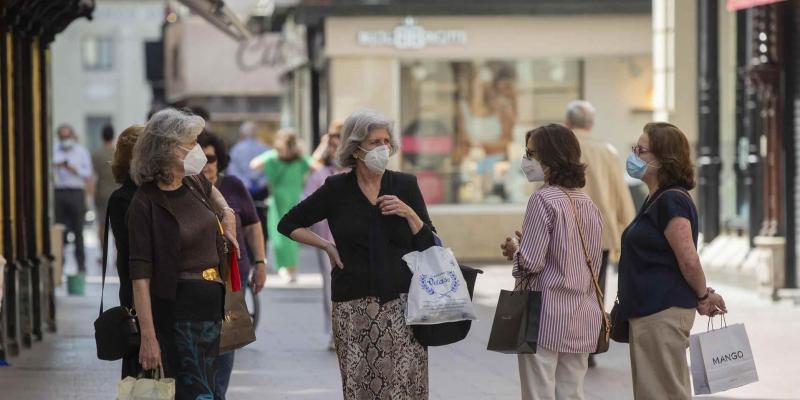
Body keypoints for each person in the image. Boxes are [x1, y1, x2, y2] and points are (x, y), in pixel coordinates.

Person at [278, 109, 436, 399]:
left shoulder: (404, 185)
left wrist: (410, 213)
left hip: (403, 303)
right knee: (361, 386)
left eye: (387, 141)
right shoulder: (336, 188)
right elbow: (287, 224)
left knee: (403, 386)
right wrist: (326, 245)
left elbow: (431, 243)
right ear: (356, 147)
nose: (384, 148)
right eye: (376, 142)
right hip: (354, 304)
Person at [128, 108, 239, 399]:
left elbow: (214, 193)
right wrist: (148, 338)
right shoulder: (145, 203)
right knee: (193, 393)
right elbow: (140, 277)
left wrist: (227, 213)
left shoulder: (194, 182)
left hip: (213, 306)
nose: (198, 150)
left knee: (212, 391)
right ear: (166, 149)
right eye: (190, 144)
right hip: (178, 314)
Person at [618, 122, 727, 399]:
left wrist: (704, 295)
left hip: (661, 312)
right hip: (649, 311)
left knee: (663, 392)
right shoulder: (655, 199)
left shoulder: (671, 201)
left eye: (640, 150)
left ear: (663, 159)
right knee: (654, 391)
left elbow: (688, 258)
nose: (634, 156)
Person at [500, 124, 603, 400]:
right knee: (571, 392)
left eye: (532, 153)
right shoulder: (588, 204)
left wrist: (516, 251)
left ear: (551, 156)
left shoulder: (542, 199)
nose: (527, 160)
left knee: (538, 392)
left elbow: (531, 263)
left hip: (542, 314)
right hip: (582, 313)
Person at [564, 100, 636, 367]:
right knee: (597, 290)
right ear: (590, 124)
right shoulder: (606, 151)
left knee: (569, 288)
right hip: (601, 233)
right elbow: (620, 193)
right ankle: (591, 345)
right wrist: (626, 229)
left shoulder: (564, 149)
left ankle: (570, 342)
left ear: (568, 123)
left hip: (569, 232)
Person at [197, 130, 267, 399]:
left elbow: (252, 226)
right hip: (199, 281)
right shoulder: (187, 191)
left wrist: (260, 262)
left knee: (226, 348)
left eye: (211, 158)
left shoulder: (234, 186)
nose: (206, 165)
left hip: (232, 280)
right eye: (199, 159)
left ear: (220, 159)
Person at [250, 129, 319, 283]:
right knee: (288, 235)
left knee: (281, 235)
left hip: (281, 202)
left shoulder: (274, 157)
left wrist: (272, 155)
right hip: (293, 201)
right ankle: (290, 268)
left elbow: (254, 165)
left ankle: (287, 268)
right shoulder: (300, 159)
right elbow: (317, 168)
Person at [301, 120, 346, 350]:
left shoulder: (360, 174)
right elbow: (304, 204)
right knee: (331, 287)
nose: (336, 149)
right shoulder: (322, 175)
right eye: (333, 144)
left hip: (358, 241)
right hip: (328, 241)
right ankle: (335, 333)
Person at [106, 124, 144, 378]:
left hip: (157, 291)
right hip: (135, 290)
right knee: (139, 360)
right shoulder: (123, 198)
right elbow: (133, 250)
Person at [53, 124, 93, 274]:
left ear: (72, 136)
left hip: (76, 192)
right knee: (59, 231)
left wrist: (74, 169)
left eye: (67, 137)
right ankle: (59, 266)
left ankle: (81, 266)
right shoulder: (54, 150)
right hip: (59, 192)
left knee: (78, 230)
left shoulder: (81, 152)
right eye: (62, 137)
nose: (65, 140)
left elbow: (87, 173)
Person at [228, 121, 271, 243]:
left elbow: (233, 170)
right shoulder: (265, 148)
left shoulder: (236, 149)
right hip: (261, 191)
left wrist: (246, 183)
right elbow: (268, 171)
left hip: (243, 189)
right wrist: (259, 183)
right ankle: (261, 254)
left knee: (244, 221)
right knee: (262, 222)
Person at [92, 124, 117, 246]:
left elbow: (92, 175)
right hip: (117, 191)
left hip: (101, 193)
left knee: (102, 224)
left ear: (102, 136)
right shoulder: (118, 152)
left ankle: (102, 252)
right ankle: (116, 256)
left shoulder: (96, 154)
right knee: (118, 225)